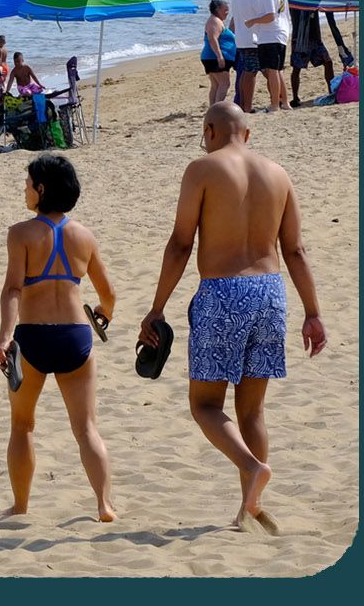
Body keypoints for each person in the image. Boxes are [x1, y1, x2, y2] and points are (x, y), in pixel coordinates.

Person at [139, 101, 326, 533]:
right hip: (271, 292)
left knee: (204, 404)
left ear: (209, 131)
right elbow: (295, 250)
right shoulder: (278, 174)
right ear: (248, 133)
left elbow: (181, 244)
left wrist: (157, 306)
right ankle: (249, 510)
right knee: (252, 411)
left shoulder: (202, 169)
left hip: (222, 293)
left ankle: (251, 466)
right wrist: (313, 313)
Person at [0, 155, 117, 521]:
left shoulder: (21, 234)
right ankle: (104, 505)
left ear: (42, 189)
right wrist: (104, 315)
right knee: (86, 428)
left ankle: (20, 506)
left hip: (33, 338)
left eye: (28, 184)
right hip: (76, 336)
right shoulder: (84, 236)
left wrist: (4, 338)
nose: (25, 189)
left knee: (22, 425)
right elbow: (109, 295)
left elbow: (13, 289)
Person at [245, 0, 292, 112]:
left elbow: (270, 16)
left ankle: (275, 104)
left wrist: (253, 21)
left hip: (270, 35)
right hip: (282, 33)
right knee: (277, 70)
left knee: (272, 71)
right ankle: (285, 102)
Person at [229, 0, 266, 113]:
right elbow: (263, 12)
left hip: (241, 37)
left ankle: (244, 104)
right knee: (252, 72)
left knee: (246, 72)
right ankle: (247, 107)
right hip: (253, 37)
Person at [289, 9, 335, 106]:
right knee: (297, 68)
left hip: (314, 38)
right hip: (300, 39)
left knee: (328, 62)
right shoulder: (295, 0)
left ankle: (331, 92)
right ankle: (295, 97)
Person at [200, 0, 237, 105]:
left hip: (212, 57)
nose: (227, 12)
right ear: (217, 9)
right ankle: (217, 109)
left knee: (216, 85)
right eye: (225, 10)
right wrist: (219, 56)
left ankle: (213, 109)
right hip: (214, 57)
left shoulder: (217, 21)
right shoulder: (214, 21)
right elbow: (212, 39)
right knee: (224, 84)